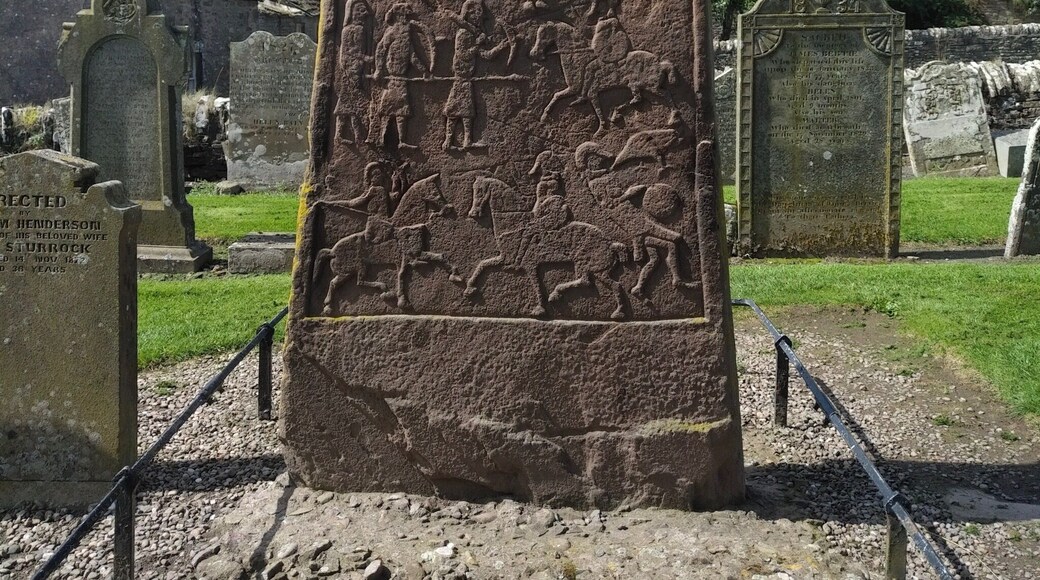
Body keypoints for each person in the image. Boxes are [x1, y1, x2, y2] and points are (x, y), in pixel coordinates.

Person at [443, 0, 510, 151]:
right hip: (460, 78)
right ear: (469, 14)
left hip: (467, 80)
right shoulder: (463, 33)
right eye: (476, 14)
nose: (479, 18)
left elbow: (486, 55)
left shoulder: (473, 34)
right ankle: (448, 141)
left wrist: (501, 47)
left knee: (467, 112)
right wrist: (478, 43)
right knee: (454, 111)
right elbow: (463, 55)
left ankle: (466, 141)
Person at [369, 3, 433, 149]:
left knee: (402, 111)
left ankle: (401, 141)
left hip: (402, 79)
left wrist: (424, 71)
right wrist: (378, 70)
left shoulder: (406, 36)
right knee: (387, 109)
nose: (407, 19)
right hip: (392, 77)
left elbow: (412, 56)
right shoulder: (392, 32)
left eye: (407, 16)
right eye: (404, 16)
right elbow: (380, 49)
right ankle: (381, 137)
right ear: (398, 17)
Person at [334, 0, 374, 144]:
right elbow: (348, 51)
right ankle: (343, 135)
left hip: (356, 69)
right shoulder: (351, 30)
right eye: (361, 11)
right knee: (348, 104)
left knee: (352, 104)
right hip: (351, 71)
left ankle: (355, 135)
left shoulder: (360, 29)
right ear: (353, 13)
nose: (366, 14)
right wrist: (364, 58)